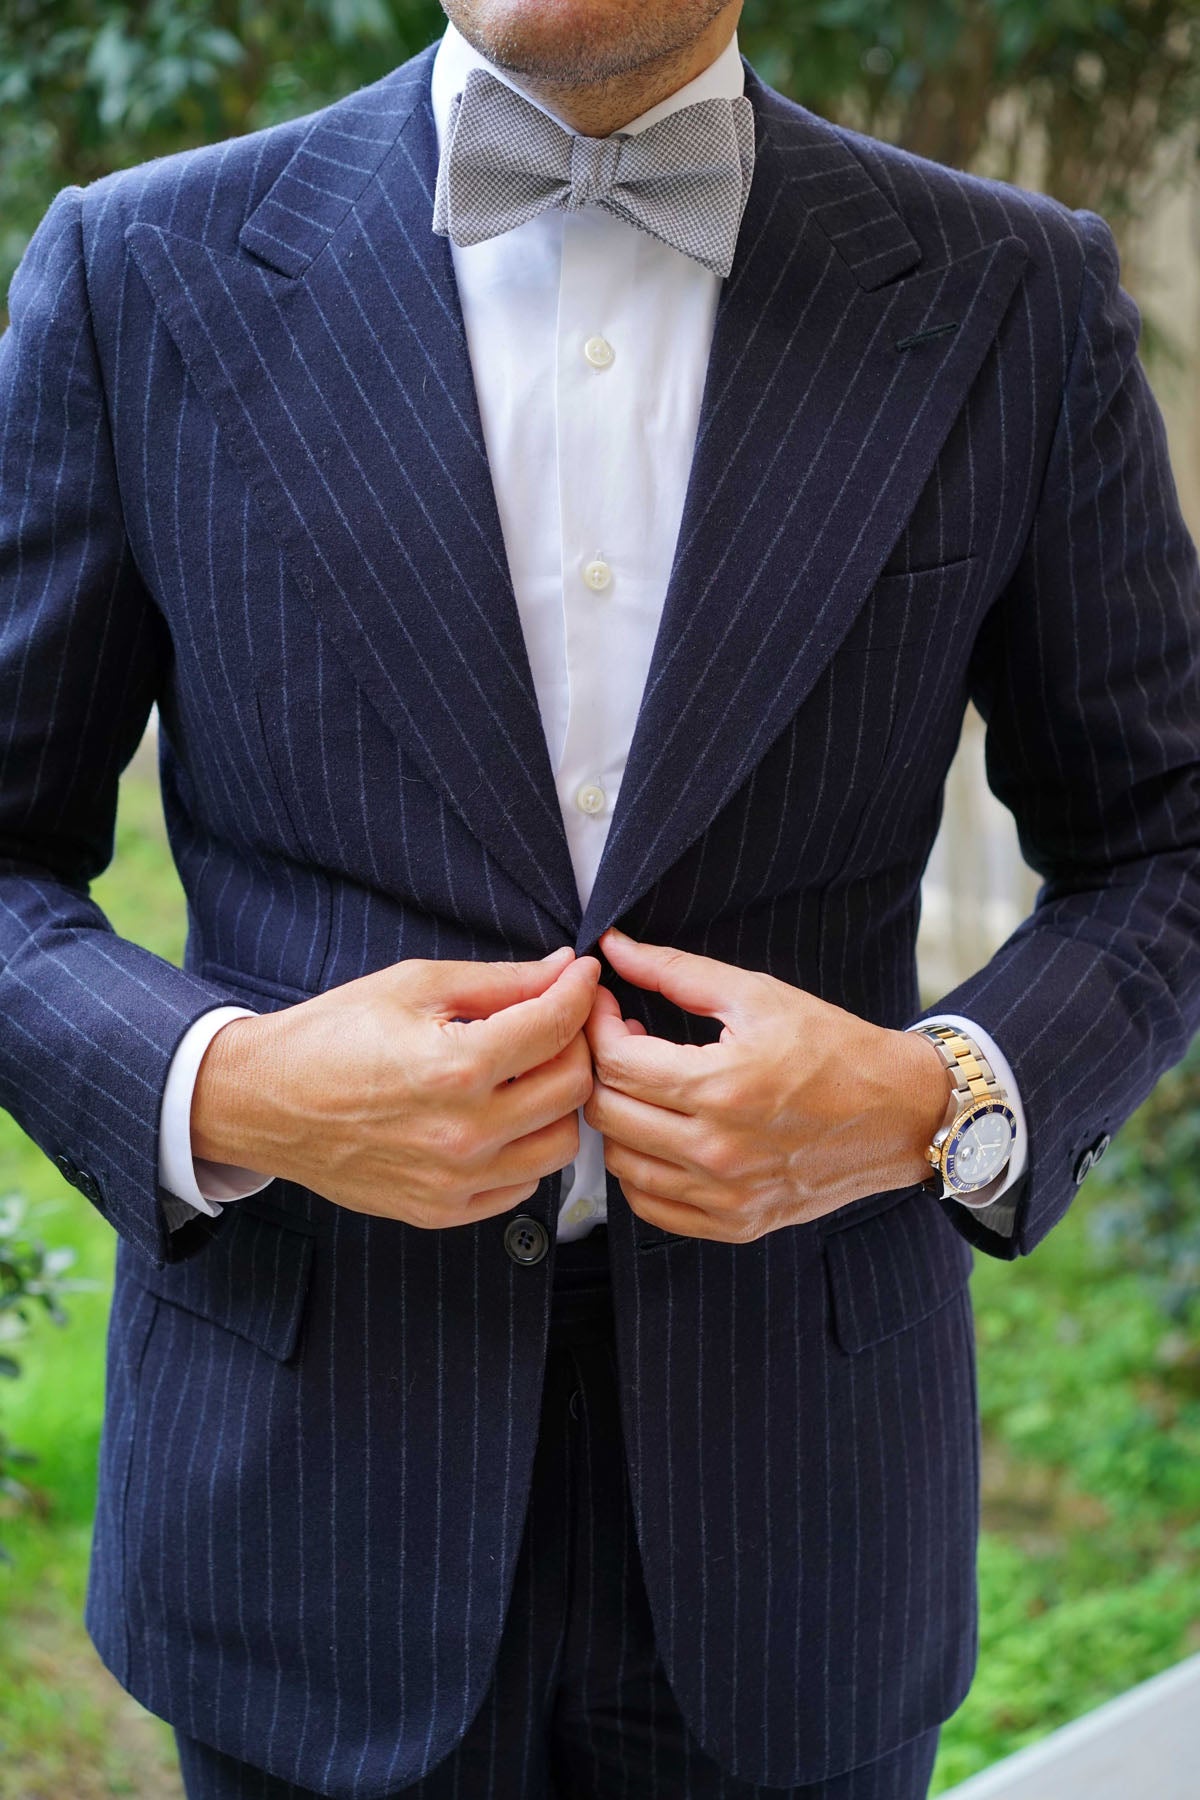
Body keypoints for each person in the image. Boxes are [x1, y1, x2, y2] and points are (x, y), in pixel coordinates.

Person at [1, 0, 1197, 1795]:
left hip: (802, 1529)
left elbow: (1166, 833)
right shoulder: (135, 270)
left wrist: (932, 1096)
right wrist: (226, 1087)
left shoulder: (1009, 292)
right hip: (308, 1511)